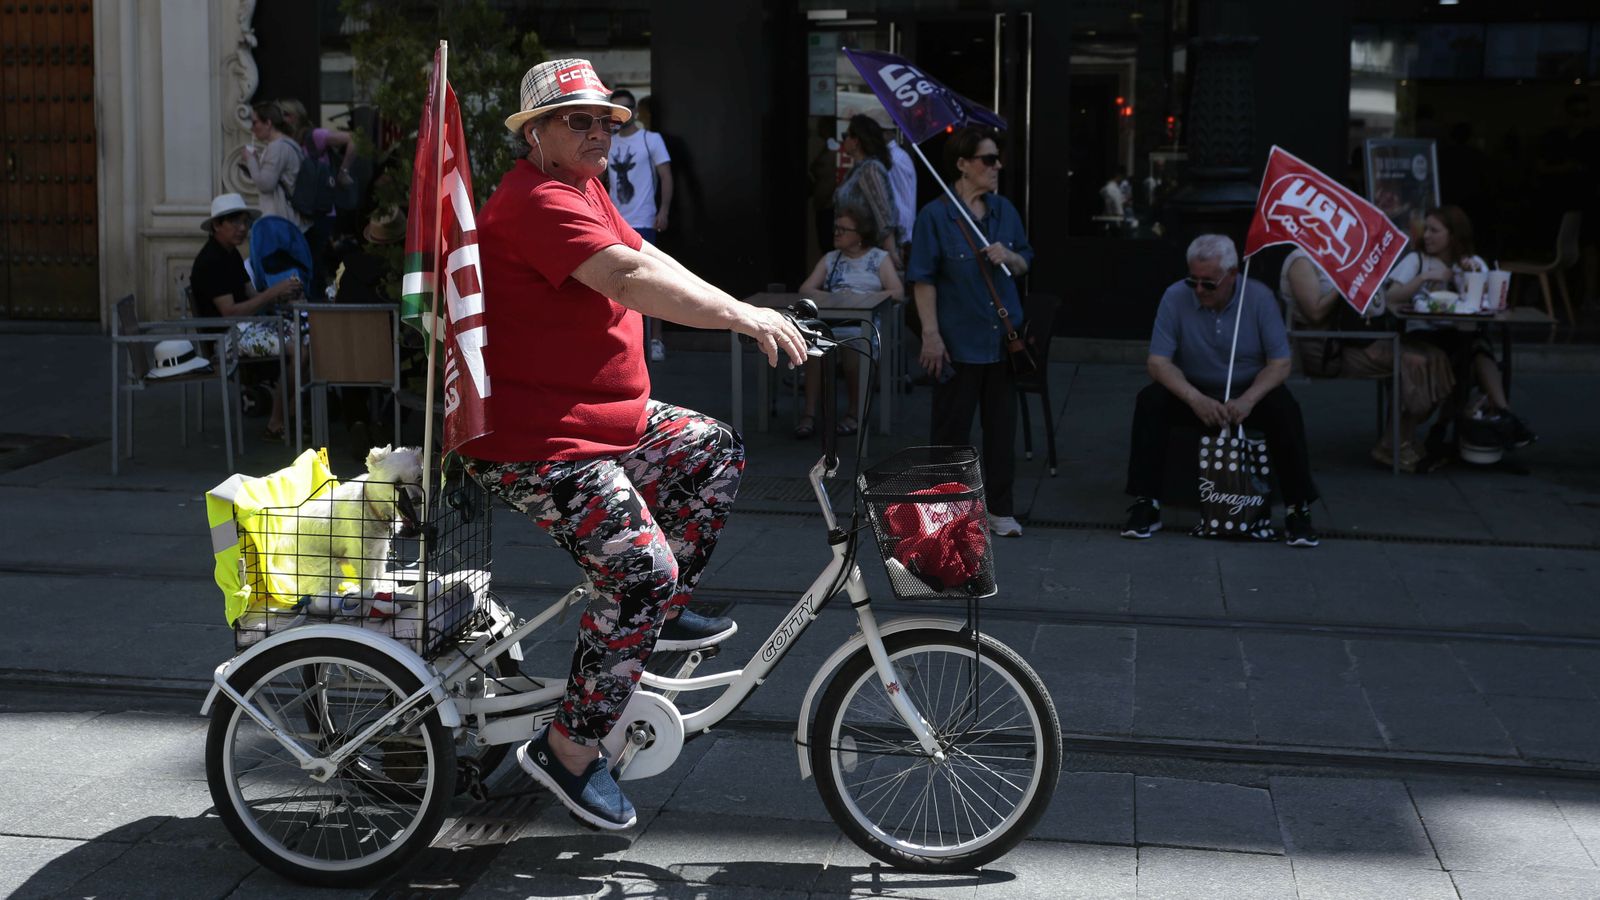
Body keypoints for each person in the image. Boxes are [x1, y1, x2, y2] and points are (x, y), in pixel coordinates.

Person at [462, 58, 807, 831]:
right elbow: (626, 279)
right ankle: (570, 750)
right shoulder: (539, 200)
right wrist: (742, 319)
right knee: (640, 571)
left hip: (596, 421)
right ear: (537, 134)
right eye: (577, 121)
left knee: (710, 450)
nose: (597, 133)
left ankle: (651, 615)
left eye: (606, 122)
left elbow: (649, 257)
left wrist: (737, 304)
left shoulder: (583, 187)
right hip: (542, 442)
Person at [1121, 234, 1320, 547]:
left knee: (1284, 408)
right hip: (1196, 390)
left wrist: (1248, 400)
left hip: (1247, 391)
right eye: (1194, 281)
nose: (1199, 290)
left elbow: (1280, 363)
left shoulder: (1259, 298)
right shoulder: (1175, 297)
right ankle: (1146, 501)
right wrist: (1195, 399)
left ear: (1232, 276)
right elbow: (1158, 363)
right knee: (1151, 401)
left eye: (1209, 283)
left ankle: (1298, 508)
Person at [908, 126, 1033, 538]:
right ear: (962, 164)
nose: (997, 166)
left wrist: (1009, 255)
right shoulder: (936, 216)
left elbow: (1025, 263)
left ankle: (1000, 509)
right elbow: (923, 280)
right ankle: (944, 514)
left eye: (997, 158)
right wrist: (931, 335)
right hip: (957, 341)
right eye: (988, 159)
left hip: (1001, 339)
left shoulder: (1004, 212)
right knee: (950, 433)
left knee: (1001, 430)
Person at [1280, 248, 1455, 472]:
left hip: (1357, 337)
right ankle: (1393, 445)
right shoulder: (1301, 261)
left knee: (1435, 356)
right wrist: (1346, 282)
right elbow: (1314, 313)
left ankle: (1402, 437)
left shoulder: (1338, 255)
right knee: (1415, 361)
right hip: (1327, 347)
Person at [1382, 206, 1536, 452]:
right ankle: (1498, 419)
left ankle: (1494, 418)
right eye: (1426, 230)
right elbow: (1391, 297)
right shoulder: (1417, 260)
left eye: (1434, 230)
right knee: (1472, 355)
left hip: (1460, 334)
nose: (1427, 236)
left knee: (1474, 349)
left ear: (1453, 235)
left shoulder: (1473, 263)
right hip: (1423, 336)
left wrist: (1464, 277)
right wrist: (1422, 278)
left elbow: (1489, 302)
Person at [189, 192, 304, 440]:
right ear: (217, 226)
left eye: (245, 223)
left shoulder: (230, 253)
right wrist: (274, 291)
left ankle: (290, 412)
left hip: (244, 329)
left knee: (307, 337)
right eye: (235, 223)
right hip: (226, 339)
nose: (242, 229)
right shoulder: (211, 261)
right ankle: (276, 422)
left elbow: (252, 295)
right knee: (298, 348)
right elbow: (229, 312)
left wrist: (282, 295)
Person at [794, 203, 904, 439]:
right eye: (836, 228)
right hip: (833, 324)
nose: (837, 233)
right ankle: (809, 414)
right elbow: (806, 288)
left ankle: (854, 413)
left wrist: (863, 299)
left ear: (860, 235)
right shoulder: (831, 259)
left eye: (844, 229)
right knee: (812, 352)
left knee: (854, 352)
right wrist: (836, 298)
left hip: (865, 326)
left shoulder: (879, 258)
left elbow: (897, 292)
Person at [605, 89, 675, 362]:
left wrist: (664, 210)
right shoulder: (607, 141)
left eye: (625, 110)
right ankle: (625, 341)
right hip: (615, 221)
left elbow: (666, 176)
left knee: (651, 280)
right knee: (617, 282)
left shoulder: (650, 139)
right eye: (614, 112)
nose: (620, 117)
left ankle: (656, 338)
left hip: (644, 219)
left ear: (633, 111)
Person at [835, 115, 900, 261]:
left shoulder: (870, 169)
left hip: (868, 255)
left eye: (845, 135)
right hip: (853, 252)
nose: (843, 140)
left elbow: (883, 215)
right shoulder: (857, 170)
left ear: (856, 141)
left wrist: (892, 256)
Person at [241, 101, 309, 232]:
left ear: (268, 123)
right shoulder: (286, 144)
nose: (252, 128)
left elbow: (265, 185)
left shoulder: (277, 147)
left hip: (280, 220)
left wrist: (250, 160)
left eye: (255, 123)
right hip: (285, 220)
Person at [886, 132, 917, 264]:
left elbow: (904, 202)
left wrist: (903, 240)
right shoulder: (891, 157)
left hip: (899, 240)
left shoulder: (895, 158)